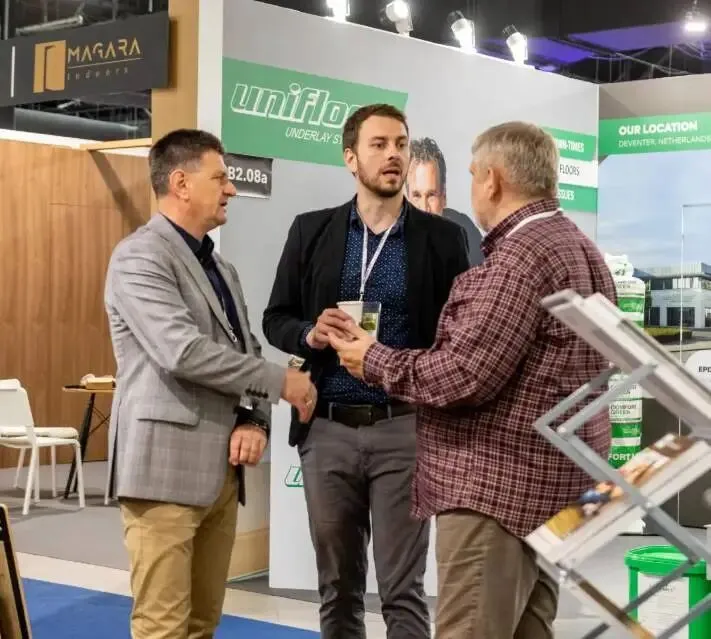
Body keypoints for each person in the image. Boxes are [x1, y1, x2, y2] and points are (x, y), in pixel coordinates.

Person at [330, 121, 617, 639]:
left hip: (497, 497)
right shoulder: (577, 247)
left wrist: (373, 359)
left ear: (492, 180)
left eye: (469, 175)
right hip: (552, 492)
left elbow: (463, 375)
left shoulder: (519, 259)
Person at [262, 104, 469, 639]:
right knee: (337, 590)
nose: (393, 154)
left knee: (403, 592)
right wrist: (309, 334)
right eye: (379, 144)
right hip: (328, 428)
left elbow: (459, 336)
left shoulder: (442, 240)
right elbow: (275, 318)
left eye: (400, 143)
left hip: (406, 428)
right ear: (351, 158)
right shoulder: (312, 231)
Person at [104, 128, 316, 639]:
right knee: (163, 626)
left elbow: (245, 349)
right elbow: (182, 351)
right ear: (181, 183)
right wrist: (281, 383)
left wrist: (253, 419)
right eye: (220, 177)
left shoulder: (220, 267)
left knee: (202, 623)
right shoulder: (139, 257)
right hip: (162, 471)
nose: (232, 189)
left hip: (222, 472)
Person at [407, 137, 484, 266]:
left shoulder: (465, 232)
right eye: (416, 196)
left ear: (444, 197)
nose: (424, 208)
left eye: (431, 195)